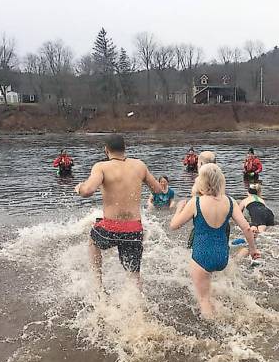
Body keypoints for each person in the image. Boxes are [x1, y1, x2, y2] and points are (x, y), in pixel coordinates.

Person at [170, 164, 260, 318]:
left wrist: (179, 208)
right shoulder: (230, 202)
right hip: (222, 256)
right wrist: (253, 250)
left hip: (201, 256)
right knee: (211, 290)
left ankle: (212, 329)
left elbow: (174, 226)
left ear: (202, 181)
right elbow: (246, 228)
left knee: (203, 299)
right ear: (220, 180)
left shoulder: (196, 202)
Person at [74, 135, 162, 287]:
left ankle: (98, 284)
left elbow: (88, 191)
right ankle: (138, 307)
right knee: (134, 276)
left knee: (93, 241)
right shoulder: (139, 165)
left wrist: (79, 188)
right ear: (124, 149)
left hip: (110, 228)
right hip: (134, 229)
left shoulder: (101, 167)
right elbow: (158, 190)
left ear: (106, 150)